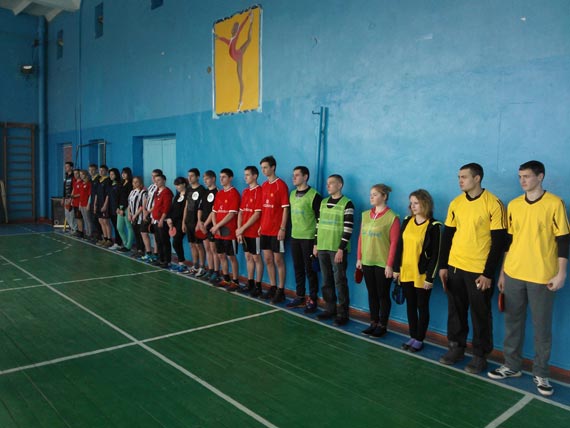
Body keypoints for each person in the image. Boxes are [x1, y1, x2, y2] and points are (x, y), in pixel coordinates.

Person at [488, 161, 569, 396]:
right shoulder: (514, 205)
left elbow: (563, 240)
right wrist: (503, 272)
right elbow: (509, 241)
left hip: (542, 276)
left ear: (540, 177)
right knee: (512, 322)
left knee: (542, 327)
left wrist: (561, 272)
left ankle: (541, 373)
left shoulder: (554, 204)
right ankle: (512, 366)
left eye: (527, 176)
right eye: (520, 176)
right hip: (514, 273)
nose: (522, 180)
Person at [439, 163, 507, 374]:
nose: (460, 180)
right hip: (455, 267)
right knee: (456, 311)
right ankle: (456, 347)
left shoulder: (494, 204)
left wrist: (487, 273)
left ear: (477, 178)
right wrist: (443, 266)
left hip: (479, 271)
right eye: (459, 177)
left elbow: (499, 242)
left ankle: (480, 355)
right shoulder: (456, 203)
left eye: (464, 177)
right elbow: (447, 236)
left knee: (481, 314)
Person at [393, 189, 442, 352]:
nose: (412, 206)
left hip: (421, 274)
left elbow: (436, 255)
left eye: (416, 203)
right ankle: (412, 336)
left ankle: (420, 339)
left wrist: (430, 277)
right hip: (406, 271)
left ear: (425, 203)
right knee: (411, 306)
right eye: (411, 203)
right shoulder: (407, 221)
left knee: (422, 306)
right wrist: (396, 268)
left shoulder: (434, 226)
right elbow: (399, 246)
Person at [356, 184, 400, 336]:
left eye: (375, 194)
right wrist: (359, 258)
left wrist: (390, 265)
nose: (371, 197)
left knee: (382, 295)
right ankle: (373, 322)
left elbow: (394, 243)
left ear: (384, 196)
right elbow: (361, 237)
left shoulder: (392, 217)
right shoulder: (365, 215)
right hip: (367, 261)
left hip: (383, 263)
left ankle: (382, 325)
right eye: (371, 194)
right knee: (372, 293)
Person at [314, 174, 354, 326]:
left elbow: (348, 228)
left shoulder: (347, 204)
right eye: (327, 183)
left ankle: (343, 313)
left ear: (340, 185)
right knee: (326, 281)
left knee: (340, 282)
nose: (328, 186)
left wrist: (341, 249)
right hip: (322, 247)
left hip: (337, 250)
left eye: (331, 183)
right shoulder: (323, 202)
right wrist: (316, 244)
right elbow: (318, 224)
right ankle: (329, 309)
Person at [288, 166, 322, 313]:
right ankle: (300, 296)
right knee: (298, 267)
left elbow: (320, 220)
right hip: (295, 236)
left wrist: (316, 242)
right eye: (293, 175)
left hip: (308, 238)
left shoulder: (314, 195)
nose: (294, 177)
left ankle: (313, 298)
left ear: (305, 177)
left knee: (310, 270)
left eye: (297, 175)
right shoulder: (292, 194)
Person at [259, 155, 289, 303]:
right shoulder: (264, 185)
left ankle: (281, 290)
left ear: (273, 167)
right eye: (262, 168)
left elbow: (285, 209)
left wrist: (282, 228)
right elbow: (263, 209)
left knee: (278, 260)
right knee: (268, 259)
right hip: (264, 230)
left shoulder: (281, 185)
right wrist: (261, 226)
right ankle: (272, 286)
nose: (263, 170)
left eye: (265, 167)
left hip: (276, 231)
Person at [214, 10, 254, 111]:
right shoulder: (231, 40)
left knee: (240, 81)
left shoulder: (236, 36)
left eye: (236, 28)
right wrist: (217, 37)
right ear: (232, 30)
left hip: (238, 58)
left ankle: (240, 102)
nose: (235, 29)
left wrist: (247, 17)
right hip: (238, 52)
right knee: (249, 41)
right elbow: (224, 40)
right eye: (234, 27)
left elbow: (241, 26)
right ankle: (251, 21)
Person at [210, 168, 241, 290]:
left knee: (231, 257)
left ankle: (235, 281)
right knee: (221, 255)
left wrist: (217, 226)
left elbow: (231, 214)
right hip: (218, 232)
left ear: (230, 178)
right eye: (220, 177)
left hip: (229, 232)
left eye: (224, 177)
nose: (221, 179)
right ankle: (226, 278)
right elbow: (214, 212)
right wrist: (215, 226)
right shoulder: (219, 193)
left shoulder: (234, 193)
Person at [236, 165, 263, 296]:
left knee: (256, 258)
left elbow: (257, 214)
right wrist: (239, 229)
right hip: (244, 232)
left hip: (254, 232)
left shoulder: (259, 191)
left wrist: (242, 228)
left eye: (247, 175)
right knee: (248, 257)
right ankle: (250, 282)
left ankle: (258, 286)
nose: (245, 177)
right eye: (245, 175)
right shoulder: (245, 191)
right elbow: (241, 212)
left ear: (255, 176)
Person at [182, 168, 207, 277]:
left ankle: (202, 267)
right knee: (192, 244)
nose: (190, 178)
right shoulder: (188, 189)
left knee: (199, 245)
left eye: (192, 176)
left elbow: (202, 208)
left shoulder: (202, 190)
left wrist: (199, 222)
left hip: (197, 222)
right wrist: (183, 222)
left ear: (197, 177)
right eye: (189, 176)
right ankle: (195, 266)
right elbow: (186, 206)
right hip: (188, 221)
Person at [199, 170, 220, 281]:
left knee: (213, 249)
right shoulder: (205, 192)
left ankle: (216, 271)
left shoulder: (218, 192)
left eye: (207, 178)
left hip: (212, 225)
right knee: (207, 248)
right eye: (204, 179)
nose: (205, 181)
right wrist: (199, 222)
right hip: (203, 225)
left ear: (213, 179)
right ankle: (210, 269)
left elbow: (214, 211)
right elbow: (200, 208)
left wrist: (206, 224)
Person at [166, 177, 189, 273]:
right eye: (176, 185)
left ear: (184, 184)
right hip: (174, 222)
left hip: (182, 222)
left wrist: (180, 221)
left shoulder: (188, 195)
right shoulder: (177, 195)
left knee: (176, 242)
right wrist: (169, 218)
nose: (177, 187)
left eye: (178, 185)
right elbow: (172, 208)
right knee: (177, 243)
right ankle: (181, 263)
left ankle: (182, 263)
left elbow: (184, 211)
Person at [151, 174, 173, 268]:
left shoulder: (167, 192)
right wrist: (153, 218)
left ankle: (167, 261)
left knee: (164, 241)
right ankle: (161, 259)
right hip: (156, 220)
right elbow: (155, 206)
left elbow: (166, 208)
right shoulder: (156, 192)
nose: (156, 182)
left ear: (164, 180)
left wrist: (161, 219)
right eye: (155, 180)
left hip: (162, 221)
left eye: (159, 180)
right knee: (158, 240)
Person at [141, 169, 162, 262]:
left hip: (154, 214)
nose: (153, 178)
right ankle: (148, 252)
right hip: (147, 213)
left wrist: (149, 211)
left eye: (155, 176)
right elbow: (146, 199)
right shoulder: (150, 187)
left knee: (155, 234)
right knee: (143, 232)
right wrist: (144, 210)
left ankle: (156, 254)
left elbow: (157, 204)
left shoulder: (159, 188)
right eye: (152, 176)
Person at [128, 176, 150, 259]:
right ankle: (138, 249)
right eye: (133, 182)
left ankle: (142, 251)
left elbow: (142, 206)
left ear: (140, 182)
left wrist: (135, 215)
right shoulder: (132, 192)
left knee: (141, 234)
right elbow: (129, 204)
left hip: (139, 217)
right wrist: (129, 214)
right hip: (133, 217)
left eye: (136, 182)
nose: (134, 183)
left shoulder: (144, 192)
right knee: (136, 234)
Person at [93, 165, 113, 247]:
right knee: (101, 221)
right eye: (100, 170)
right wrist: (95, 204)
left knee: (106, 222)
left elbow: (108, 194)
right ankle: (104, 238)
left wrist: (105, 205)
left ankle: (109, 239)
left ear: (106, 171)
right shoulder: (99, 180)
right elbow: (96, 194)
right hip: (99, 203)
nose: (101, 172)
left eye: (103, 170)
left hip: (105, 204)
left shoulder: (108, 181)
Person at [116, 167, 134, 252]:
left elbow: (129, 198)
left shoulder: (130, 184)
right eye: (122, 173)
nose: (123, 175)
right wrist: (117, 207)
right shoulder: (121, 183)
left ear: (128, 174)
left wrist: (124, 209)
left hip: (127, 208)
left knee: (129, 226)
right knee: (119, 227)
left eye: (125, 173)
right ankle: (125, 242)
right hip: (120, 207)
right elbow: (118, 196)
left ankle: (128, 246)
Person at [108, 168, 124, 250]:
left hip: (117, 209)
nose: (111, 176)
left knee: (118, 227)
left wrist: (118, 208)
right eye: (110, 174)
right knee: (115, 226)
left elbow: (120, 198)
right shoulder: (111, 184)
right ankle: (117, 242)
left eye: (112, 174)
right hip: (111, 208)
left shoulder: (119, 185)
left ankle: (119, 243)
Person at [88, 164, 102, 242]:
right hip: (92, 201)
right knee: (93, 219)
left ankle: (101, 235)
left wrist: (95, 204)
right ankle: (97, 234)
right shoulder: (91, 180)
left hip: (97, 203)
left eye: (93, 170)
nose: (91, 171)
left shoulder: (98, 179)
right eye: (90, 170)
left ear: (96, 170)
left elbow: (97, 193)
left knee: (97, 219)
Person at [78, 170, 93, 240]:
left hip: (86, 204)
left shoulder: (89, 184)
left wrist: (88, 204)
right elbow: (81, 195)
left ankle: (90, 233)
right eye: (80, 174)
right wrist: (79, 204)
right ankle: (87, 232)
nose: (81, 176)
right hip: (82, 204)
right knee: (84, 219)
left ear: (86, 175)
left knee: (88, 219)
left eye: (82, 174)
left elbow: (90, 195)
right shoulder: (82, 183)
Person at [62, 161, 76, 233]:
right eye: (65, 167)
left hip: (72, 199)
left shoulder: (74, 176)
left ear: (71, 167)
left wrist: (71, 198)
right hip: (66, 198)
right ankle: (71, 228)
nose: (66, 168)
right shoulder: (66, 176)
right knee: (67, 215)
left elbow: (74, 188)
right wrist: (63, 198)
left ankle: (75, 229)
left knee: (72, 215)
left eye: (67, 166)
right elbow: (64, 188)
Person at [70, 168, 83, 237]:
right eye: (74, 173)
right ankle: (78, 230)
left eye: (77, 173)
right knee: (77, 217)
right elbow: (73, 190)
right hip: (74, 203)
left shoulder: (82, 182)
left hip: (79, 203)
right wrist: (71, 199)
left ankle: (81, 232)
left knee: (79, 218)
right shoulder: (75, 182)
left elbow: (81, 193)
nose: (75, 175)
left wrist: (74, 196)